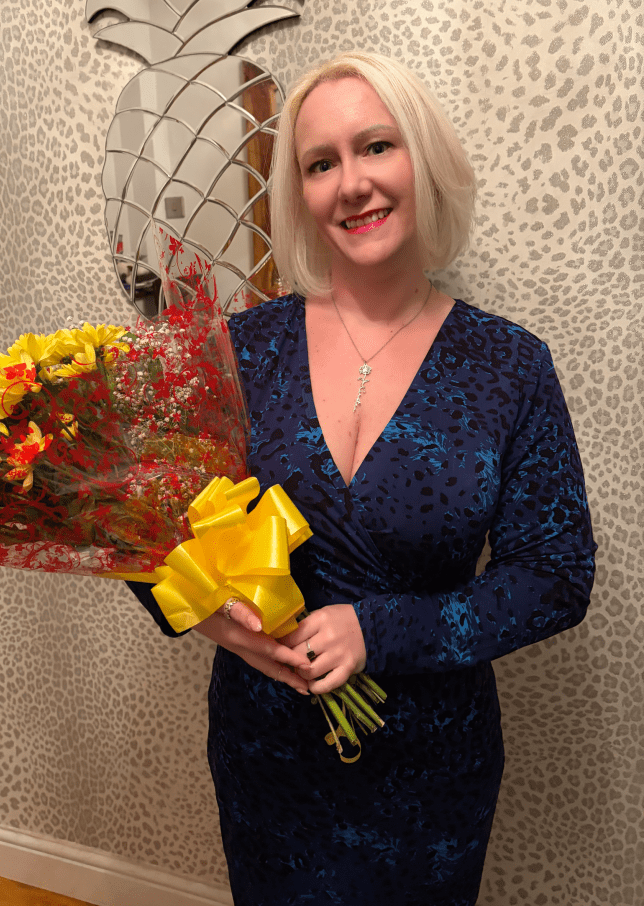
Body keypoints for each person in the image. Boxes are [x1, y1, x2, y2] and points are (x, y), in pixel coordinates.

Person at [128, 51, 596, 905]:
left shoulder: (511, 366)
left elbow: (556, 578)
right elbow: (136, 526)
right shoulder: (244, 351)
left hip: (431, 775)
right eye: (320, 163)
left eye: (376, 147)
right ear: (300, 193)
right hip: (266, 758)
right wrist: (217, 627)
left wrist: (379, 631)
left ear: (423, 160)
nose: (352, 183)